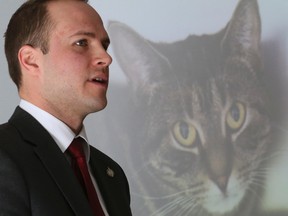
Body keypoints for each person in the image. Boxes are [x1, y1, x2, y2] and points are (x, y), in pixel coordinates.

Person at [0, 0, 132, 215]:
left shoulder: (112, 174)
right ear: (31, 60)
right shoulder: (4, 157)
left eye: (104, 45)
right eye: (81, 43)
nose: (106, 58)